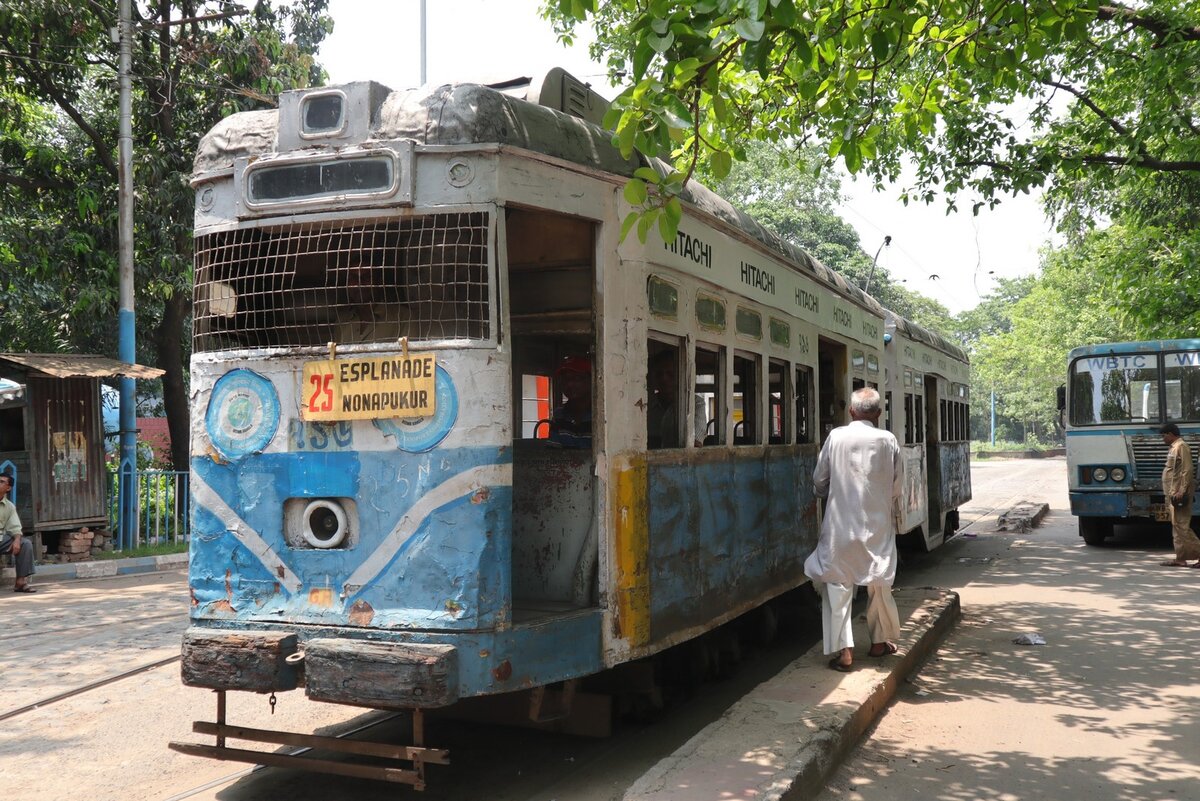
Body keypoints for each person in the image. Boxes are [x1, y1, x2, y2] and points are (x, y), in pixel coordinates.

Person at [804, 387, 902, 671]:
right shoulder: (889, 440)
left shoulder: (836, 437)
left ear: (851, 411)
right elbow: (896, 486)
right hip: (877, 525)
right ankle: (879, 643)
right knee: (879, 582)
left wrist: (825, 492)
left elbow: (820, 479)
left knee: (837, 583)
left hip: (840, 526)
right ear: (879, 414)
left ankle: (844, 652)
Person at [1158, 423, 1200, 567]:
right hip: (1172, 492)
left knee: (1181, 525)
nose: (1163, 439)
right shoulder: (1174, 448)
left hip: (1179, 493)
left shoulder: (1181, 446)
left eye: (1164, 436)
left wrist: (1182, 490)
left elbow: (1187, 470)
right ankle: (1181, 558)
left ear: (1171, 434)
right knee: (1176, 525)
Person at [647, 350, 707, 448]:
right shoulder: (644, 404)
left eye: (670, 374)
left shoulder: (695, 403)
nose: (664, 379)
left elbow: (694, 445)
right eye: (659, 374)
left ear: (681, 376)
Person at [0, 473, 36, 593]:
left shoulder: (9, 506)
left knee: (25, 544)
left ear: (8, 488)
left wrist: (16, 540)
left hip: (1, 539)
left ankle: (20, 582)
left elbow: (15, 527)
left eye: (1, 482)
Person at [549, 356, 592, 448]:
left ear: (591, 380)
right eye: (565, 379)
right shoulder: (559, 415)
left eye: (577, 378)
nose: (569, 384)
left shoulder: (602, 413)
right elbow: (553, 455)